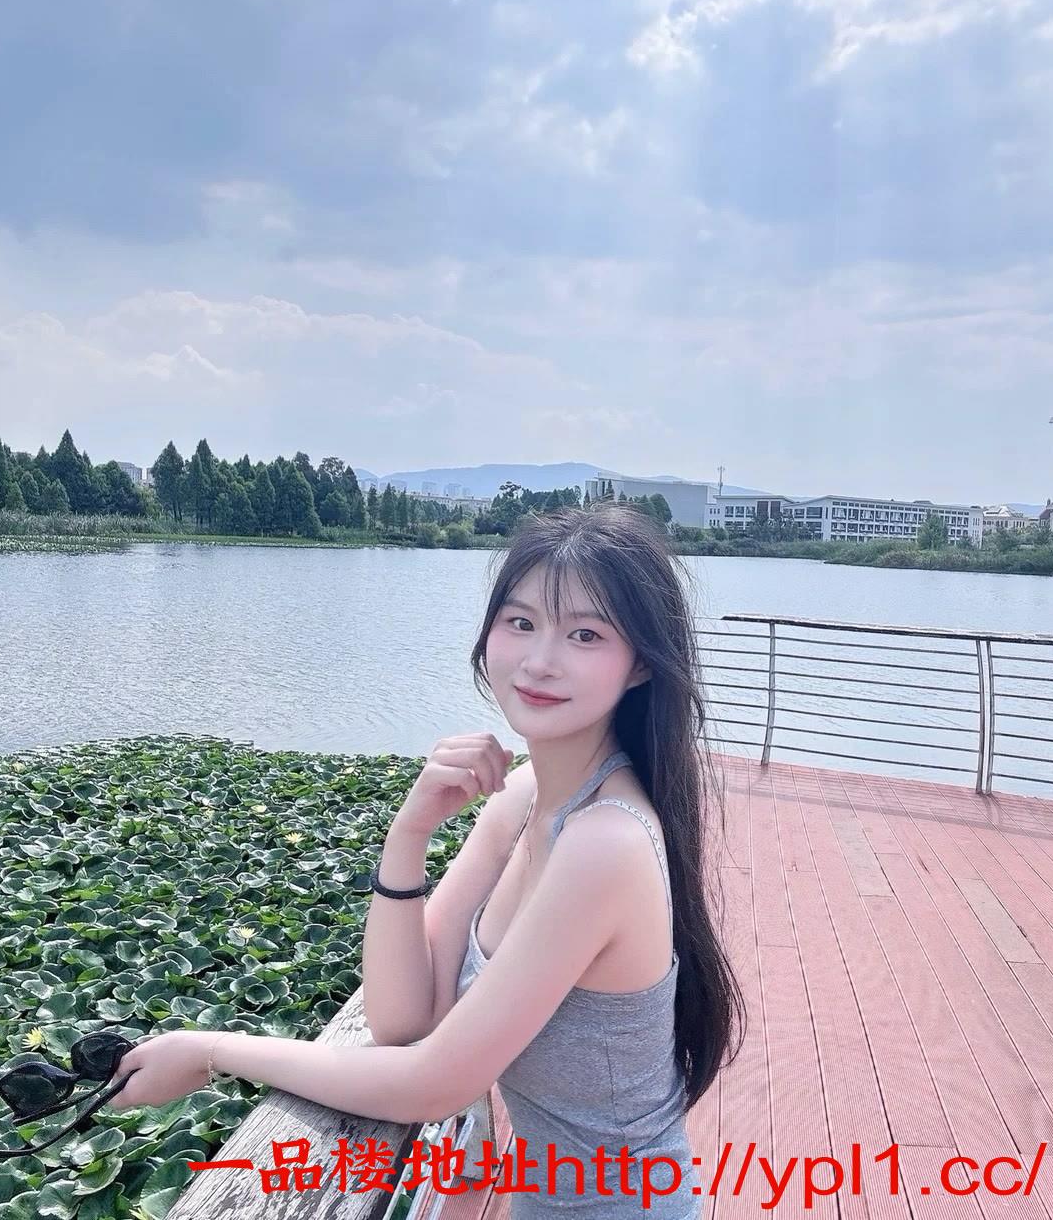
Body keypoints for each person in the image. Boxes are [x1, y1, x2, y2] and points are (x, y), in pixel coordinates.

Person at [109, 503, 745, 1217]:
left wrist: (213, 1051)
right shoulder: (525, 798)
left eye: (586, 634)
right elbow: (403, 1021)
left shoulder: (607, 843)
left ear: (640, 666)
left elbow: (432, 1084)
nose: (540, 660)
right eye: (521, 622)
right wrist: (408, 834)